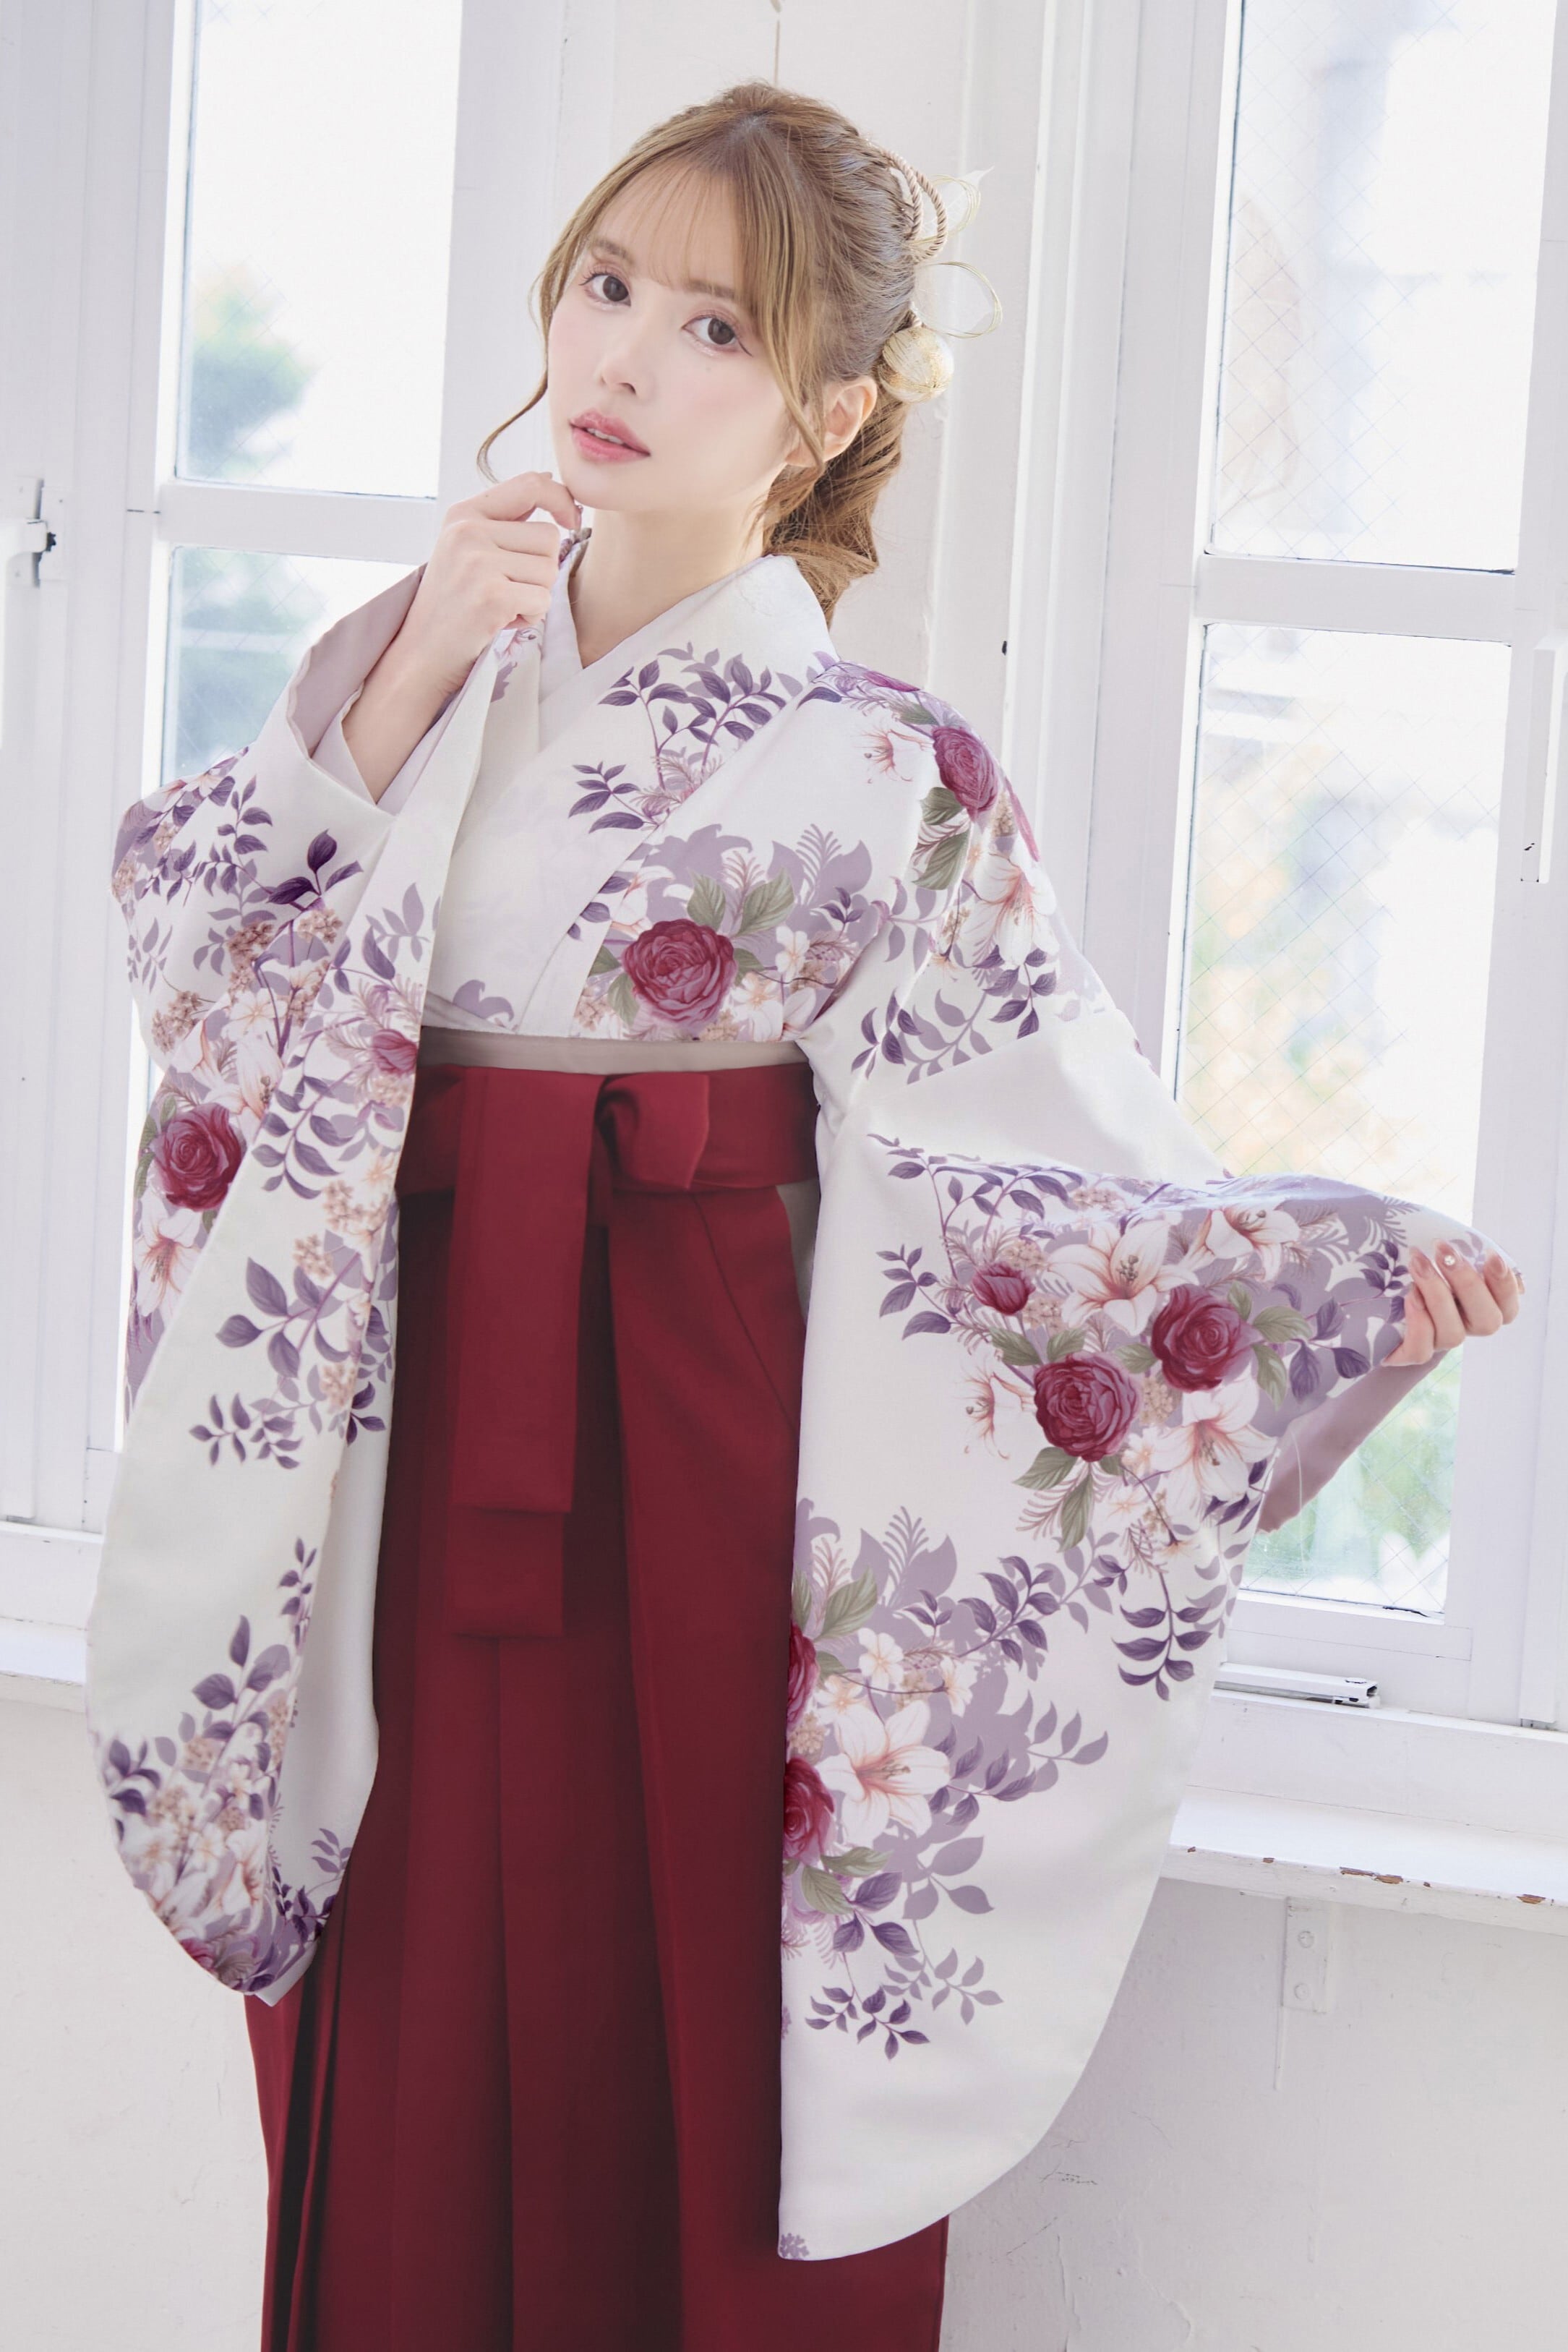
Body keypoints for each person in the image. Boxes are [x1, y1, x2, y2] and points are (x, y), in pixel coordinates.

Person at [90, 81, 1522, 2352]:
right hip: (398, 1417)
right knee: (412, 1962)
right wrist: (408, 674)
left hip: (716, 1439)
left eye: (717, 329)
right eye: (605, 285)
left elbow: (1048, 1157)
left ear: (830, 410)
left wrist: (1323, 1282)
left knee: (705, 1989)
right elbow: (194, 964)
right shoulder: (419, 663)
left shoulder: (885, 767)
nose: (626, 357)